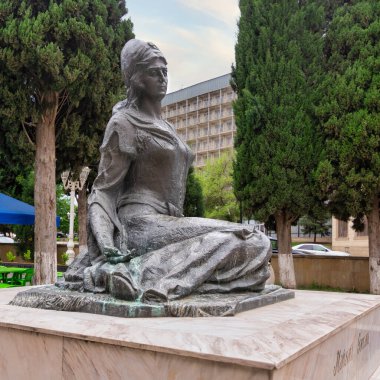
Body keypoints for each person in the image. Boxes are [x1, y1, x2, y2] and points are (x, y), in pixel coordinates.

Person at [63, 39, 272, 302]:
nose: (163, 77)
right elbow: (103, 192)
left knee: (255, 243)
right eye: (154, 72)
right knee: (247, 238)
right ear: (136, 78)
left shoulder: (167, 127)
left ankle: (144, 275)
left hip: (170, 223)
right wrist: (106, 244)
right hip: (138, 224)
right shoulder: (124, 123)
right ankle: (145, 279)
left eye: (165, 71)